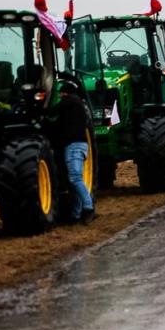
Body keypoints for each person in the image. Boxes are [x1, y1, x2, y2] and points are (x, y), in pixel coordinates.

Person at [51, 81, 95, 224]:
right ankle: (75, 215)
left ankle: (88, 208)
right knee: (75, 181)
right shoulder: (79, 106)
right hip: (81, 145)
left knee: (75, 178)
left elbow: (54, 112)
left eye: (61, 94)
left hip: (74, 146)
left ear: (65, 93)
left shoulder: (68, 102)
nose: (60, 96)